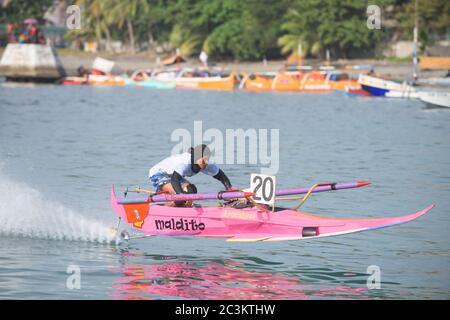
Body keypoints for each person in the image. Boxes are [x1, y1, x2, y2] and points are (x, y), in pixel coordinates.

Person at [148, 144, 232, 206]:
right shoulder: (185, 162)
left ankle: (185, 209)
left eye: (207, 160)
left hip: (174, 176)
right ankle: (162, 207)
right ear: (196, 157)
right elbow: (175, 179)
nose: (206, 163)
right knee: (182, 197)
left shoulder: (205, 163)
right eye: (204, 161)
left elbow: (221, 176)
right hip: (158, 174)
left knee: (191, 190)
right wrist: (180, 195)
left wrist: (229, 189)